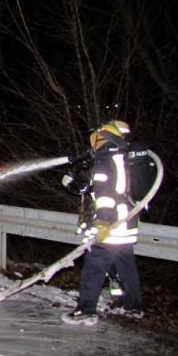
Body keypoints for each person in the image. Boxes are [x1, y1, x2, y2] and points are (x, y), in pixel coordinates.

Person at [62, 120, 143, 326]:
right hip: (127, 222)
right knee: (126, 266)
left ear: (102, 137)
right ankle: (132, 306)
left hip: (112, 223)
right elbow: (113, 188)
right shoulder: (122, 157)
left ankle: (85, 310)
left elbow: (105, 193)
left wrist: (103, 222)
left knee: (95, 266)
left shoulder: (105, 159)